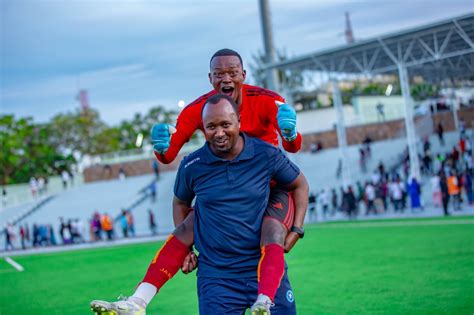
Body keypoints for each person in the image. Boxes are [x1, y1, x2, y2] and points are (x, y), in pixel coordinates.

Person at [90, 95, 308, 314]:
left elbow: (299, 184)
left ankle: (265, 300)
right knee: (192, 221)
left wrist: (297, 229)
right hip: (217, 279)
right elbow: (180, 202)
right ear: (203, 128)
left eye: (225, 124)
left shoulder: (265, 154)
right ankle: (137, 302)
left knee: (271, 230)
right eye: (211, 127)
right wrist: (186, 251)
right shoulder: (193, 164)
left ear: (239, 121)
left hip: (263, 270)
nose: (219, 133)